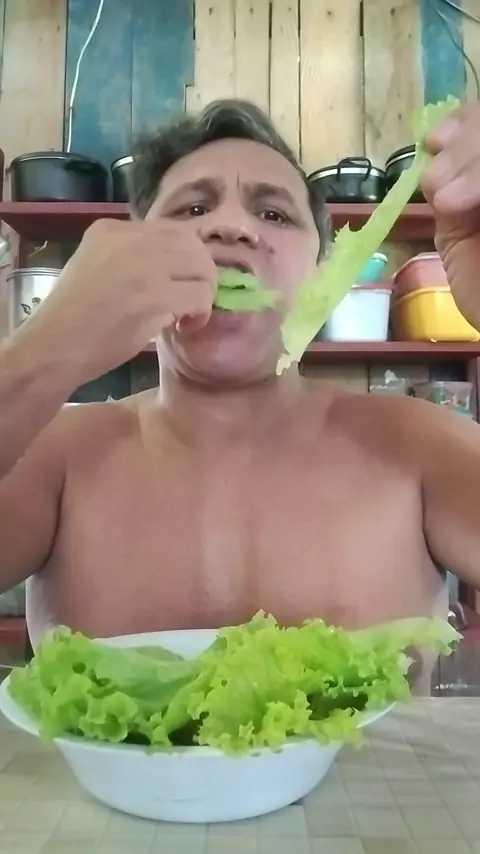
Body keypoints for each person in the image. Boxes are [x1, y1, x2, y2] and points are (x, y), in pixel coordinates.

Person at [1, 99, 480, 687]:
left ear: (323, 270)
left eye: (274, 214)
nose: (230, 227)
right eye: (193, 207)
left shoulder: (422, 445)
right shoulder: (52, 455)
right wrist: (43, 348)